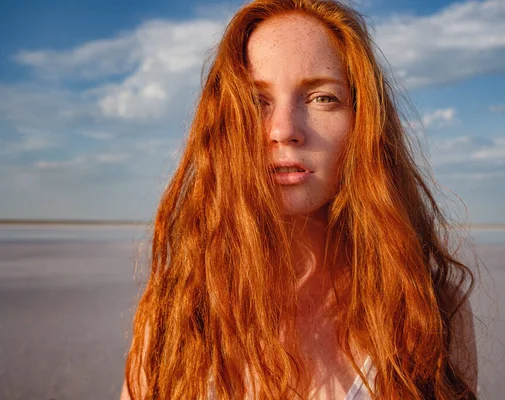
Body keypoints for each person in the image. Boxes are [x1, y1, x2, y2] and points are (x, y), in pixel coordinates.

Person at [121, 0, 478, 398]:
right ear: (222, 127)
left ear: (363, 122)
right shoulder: (182, 313)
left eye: (322, 98)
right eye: (256, 102)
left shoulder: (428, 310)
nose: (284, 130)